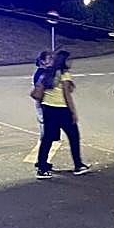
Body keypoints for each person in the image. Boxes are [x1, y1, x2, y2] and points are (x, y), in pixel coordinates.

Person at [35, 50, 90, 178]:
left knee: (47, 139)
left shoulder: (47, 73)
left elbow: (38, 92)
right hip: (62, 110)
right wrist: (73, 112)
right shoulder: (64, 74)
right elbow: (67, 95)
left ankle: (42, 168)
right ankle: (78, 165)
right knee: (74, 136)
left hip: (48, 109)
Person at [32, 50, 53, 124]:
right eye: (49, 59)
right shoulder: (41, 74)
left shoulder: (44, 72)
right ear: (43, 61)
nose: (52, 61)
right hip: (44, 105)